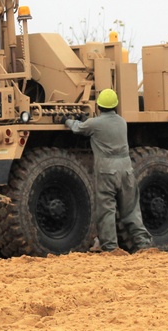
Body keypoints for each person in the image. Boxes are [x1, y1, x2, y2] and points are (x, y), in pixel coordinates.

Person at [65, 89, 152, 253]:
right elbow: (101, 126)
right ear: (115, 105)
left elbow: (77, 128)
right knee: (131, 209)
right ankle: (143, 244)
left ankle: (111, 247)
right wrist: (89, 121)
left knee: (106, 210)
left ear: (98, 105)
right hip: (126, 169)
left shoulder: (94, 124)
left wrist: (67, 120)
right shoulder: (122, 122)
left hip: (107, 170)